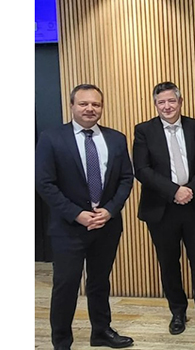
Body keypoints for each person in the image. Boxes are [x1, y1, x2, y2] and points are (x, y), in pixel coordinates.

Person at [35, 84, 135, 350]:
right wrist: (77, 214)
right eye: (83, 104)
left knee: (100, 282)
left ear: (102, 107)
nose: (90, 109)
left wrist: (110, 210)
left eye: (96, 104)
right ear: (72, 106)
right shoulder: (52, 138)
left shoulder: (116, 139)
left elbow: (126, 178)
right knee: (66, 285)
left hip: (106, 225)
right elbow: (44, 183)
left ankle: (101, 332)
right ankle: (62, 342)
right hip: (68, 227)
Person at [133, 82, 195, 334]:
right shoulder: (144, 131)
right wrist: (174, 191)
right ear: (156, 104)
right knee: (169, 262)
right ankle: (178, 311)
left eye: (171, 101)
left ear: (180, 102)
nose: (167, 106)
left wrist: (189, 189)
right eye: (161, 102)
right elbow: (142, 170)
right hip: (162, 207)